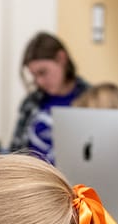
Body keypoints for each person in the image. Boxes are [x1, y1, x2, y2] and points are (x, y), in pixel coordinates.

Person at [9, 32, 90, 163]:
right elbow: (15, 150)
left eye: (43, 72)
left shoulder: (91, 100)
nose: (39, 82)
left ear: (61, 58)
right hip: (30, 178)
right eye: (34, 76)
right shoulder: (31, 103)